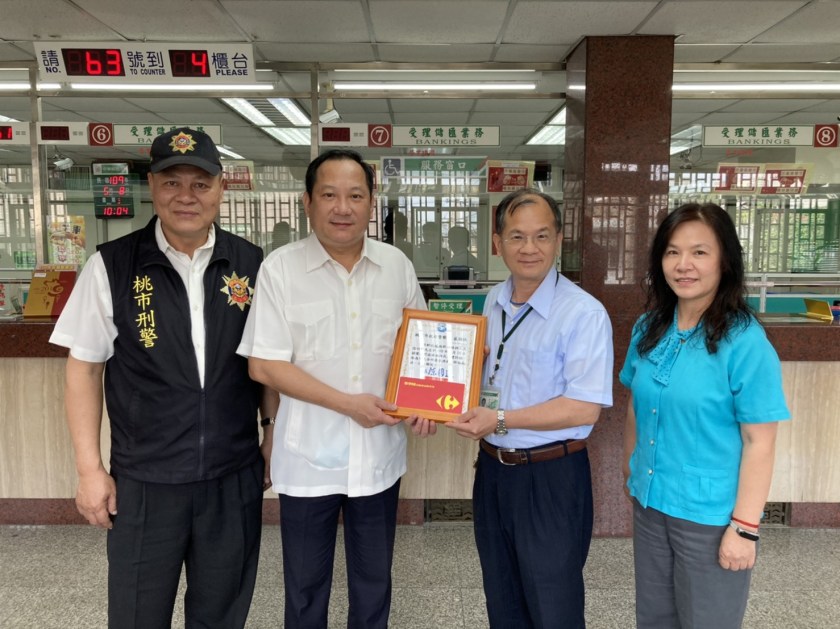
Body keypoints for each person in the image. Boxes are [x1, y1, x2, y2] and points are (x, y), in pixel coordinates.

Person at [49, 127, 277, 629]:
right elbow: (84, 369)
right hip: (145, 481)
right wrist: (89, 470)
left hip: (232, 476)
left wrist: (271, 432)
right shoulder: (111, 266)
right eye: (172, 182)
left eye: (200, 183)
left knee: (221, 615)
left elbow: (267, 361)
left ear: (221, 189)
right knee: (137, 613)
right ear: (151, 186)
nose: (186, 196)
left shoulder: (252, 264)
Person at [237, 149, 435, 629]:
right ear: (307, 202)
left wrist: (431, 400)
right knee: (305, 590)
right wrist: (348, 405)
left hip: (379, 457)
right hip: (308, 460)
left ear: (371, 203)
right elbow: (263, 365)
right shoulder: (280, 269)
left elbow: (423, 347)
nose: (342, 208)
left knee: (374, 583)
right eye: (329, 195)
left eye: (355, 196)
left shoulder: (396, 266)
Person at [447, 188, 614, 628]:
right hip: (493, 472)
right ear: (497, 243)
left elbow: (584, 409)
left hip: (550, 477)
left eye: (541, 236)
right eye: (517, 236)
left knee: (553, 606)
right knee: (502, 600)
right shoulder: (493, 301)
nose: (529, 248)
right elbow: (491, 376)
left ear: (558, 239)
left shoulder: (583, 314)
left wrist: (500, 419)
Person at [620, 202, 790, 628]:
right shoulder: (649, 328)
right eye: (672, 252)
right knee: (654, 619)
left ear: (724, 260)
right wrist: (631, 470)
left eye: (699, 252)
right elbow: (635, 407)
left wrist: (745, 528)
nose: (684, 265)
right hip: (651, 504)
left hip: (710, 517)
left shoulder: (745, 342)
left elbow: (760, 441)